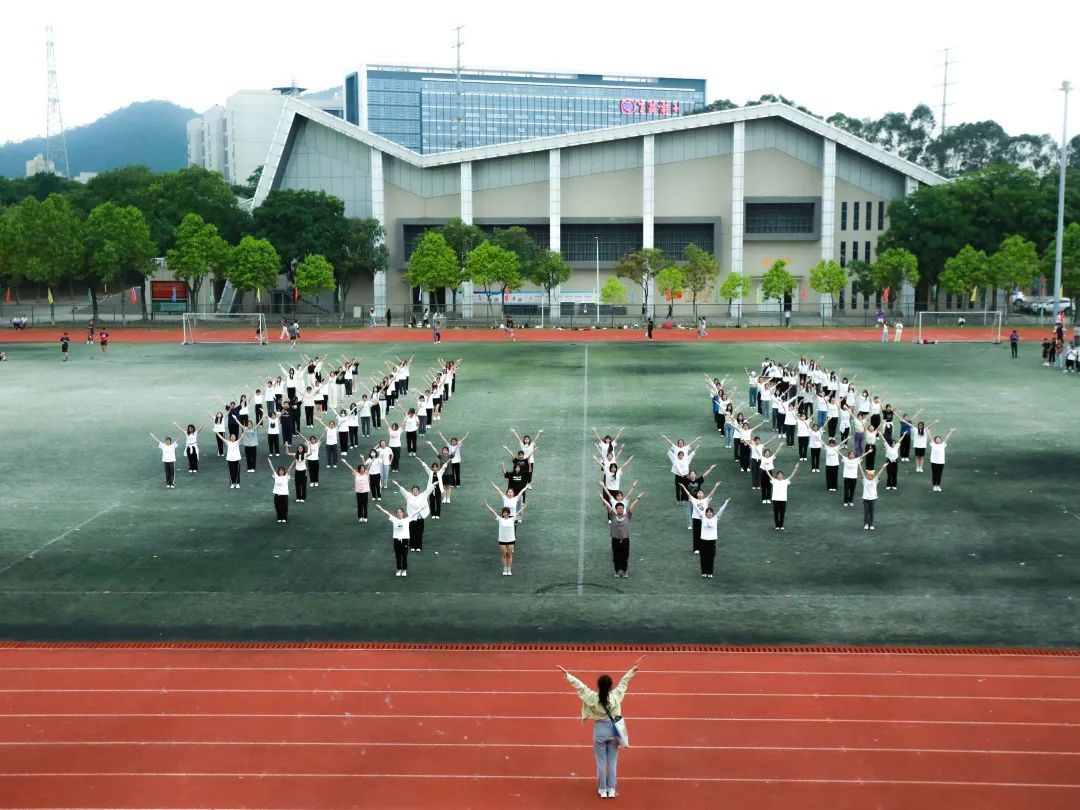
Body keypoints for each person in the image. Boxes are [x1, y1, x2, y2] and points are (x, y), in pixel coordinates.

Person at [556, 656, 646, 800]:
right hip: (614, 730)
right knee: (612, 762)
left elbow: (581, 687)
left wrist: (567, 675)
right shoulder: (616, 696)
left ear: (598, 686)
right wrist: (633, 669)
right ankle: (611, 789)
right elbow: (624, 682)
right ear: (611, 686)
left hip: (600, 731)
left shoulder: (592, 697)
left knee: (601, 762)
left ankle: (602, 789)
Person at [600, 491, 642, 578]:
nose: (620, 509)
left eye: (622, 508)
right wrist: (602, 499)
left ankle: (624, 571)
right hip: (615, 540)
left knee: (625, 556)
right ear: (616, 509)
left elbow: (632, 506)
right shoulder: (613, 515)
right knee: (616, 556)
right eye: (619, 508)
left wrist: (638, 498)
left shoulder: (627, 516)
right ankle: (617, 571)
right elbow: (608, 506)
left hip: (625, 540)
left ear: (623, 509)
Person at [485, 500, 529, 575]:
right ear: (502, 513)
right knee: (504, 555)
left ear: (509, 513)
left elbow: (519, 512)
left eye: (506, 512)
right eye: (504, 512)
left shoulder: (512, 519)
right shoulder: (500, 519)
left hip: (511, 540)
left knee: (509, 555)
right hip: (502, 540)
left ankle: (509, 569)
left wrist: (525, 506)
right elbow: (493, 512)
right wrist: (487, 506)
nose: (505, 513)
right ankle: (505, 569)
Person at [372, 503, 416, 577]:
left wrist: (422, 508)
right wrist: (380, 508)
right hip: (396, 540)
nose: (399, 513)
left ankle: (404, 570)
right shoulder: (394, 519)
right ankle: (399, 569)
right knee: (398, 555)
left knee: (404, 555)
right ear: (396, 514)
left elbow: (415, 513)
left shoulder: (407, 519)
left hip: (405, 540)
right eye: (398, 512)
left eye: (400, 512)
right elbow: (387, 513)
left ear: (403, 513)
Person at [697, 499, 731, 578]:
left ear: (713, 513)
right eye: (708, 512)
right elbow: (698, 509)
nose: (709, 513)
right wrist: (694, 501)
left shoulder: (715, 518)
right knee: (703, 557)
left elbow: (721, 510)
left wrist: (726, 502)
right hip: (703, 541)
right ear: (706, 513)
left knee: (711, 557)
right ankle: (704, 572)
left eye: (710, 512)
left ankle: (710, 572)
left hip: (712, 542)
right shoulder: (703, 518)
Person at [764, 464, 799, 530]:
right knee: (776, 513)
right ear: (777, 475)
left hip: (783, 499)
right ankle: (777, 526)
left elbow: (792, 476)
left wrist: (795, 468)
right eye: (779, 474)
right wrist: (766, 468)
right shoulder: (774, 480)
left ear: (782, 475)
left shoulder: (785, 481)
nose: (780, 476)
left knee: (782, 513)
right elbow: (769, 475)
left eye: (781, 474)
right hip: (775, 499)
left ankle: (781, 525)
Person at [859, 462, 887, 530]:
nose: (870, 477)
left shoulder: (875, 480)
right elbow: (862, 472)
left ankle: (871, 524)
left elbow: (879, 474)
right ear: (867, 476)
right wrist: (859, 464)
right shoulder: (864, 480)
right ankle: (866, 524)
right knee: (866, 512)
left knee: (871, 512)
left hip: (873, 499)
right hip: (866, 499)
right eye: (869, 476)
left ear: (873, 476)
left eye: (872, 476)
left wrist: (883, 467)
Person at [268, 458, 296, 523]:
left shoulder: (286, 477)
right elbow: (272, 469)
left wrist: (293, 462)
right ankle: (279, 518)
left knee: (284, 507)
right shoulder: (276, 476)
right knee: (278, 507)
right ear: (278, 471)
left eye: (282, 471)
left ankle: (284, 518)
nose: (281, 472)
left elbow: (289, 469)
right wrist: (270, 463)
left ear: (284, 471)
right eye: (280, 471)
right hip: (277, 495)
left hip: (284, 495)